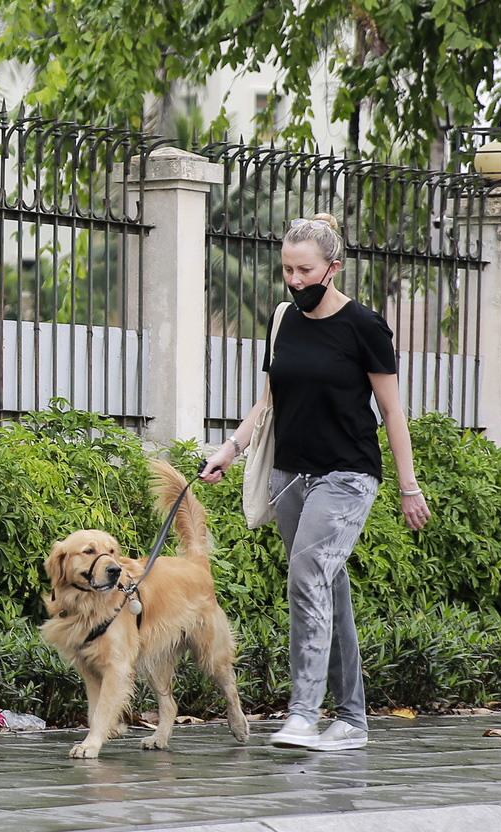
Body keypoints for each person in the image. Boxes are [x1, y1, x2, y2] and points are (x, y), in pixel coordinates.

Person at [199, 213, 431, 752]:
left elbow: (392, 413)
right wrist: (231, 449)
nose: (296, 280)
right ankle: (351, 720)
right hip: (289, 476)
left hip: (347, 476)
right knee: (327, 587)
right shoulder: (284, 320)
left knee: (307, 575)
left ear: (334, 266)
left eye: (306, 270)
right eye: (287, 270)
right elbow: (268, 401)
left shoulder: (365, 326)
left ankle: (303, 713)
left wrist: (408, 485)